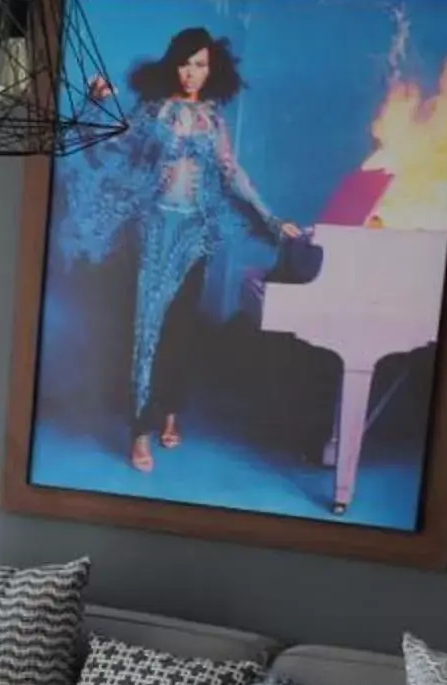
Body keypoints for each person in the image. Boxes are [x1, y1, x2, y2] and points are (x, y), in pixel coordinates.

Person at [60, 27, 302, 473]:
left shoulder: (214, 119)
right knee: (145, 330)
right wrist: (94, 102)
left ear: (213, 71)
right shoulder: (152, 111)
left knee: (181, 331)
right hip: (154, 231)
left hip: (196, 235)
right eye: (187, 63)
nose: (193, 74)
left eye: (202, 65)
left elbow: (233, 175)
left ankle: (171, 410)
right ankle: (140, 430)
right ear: (173, 64)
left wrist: (271, 218)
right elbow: (109, 142)